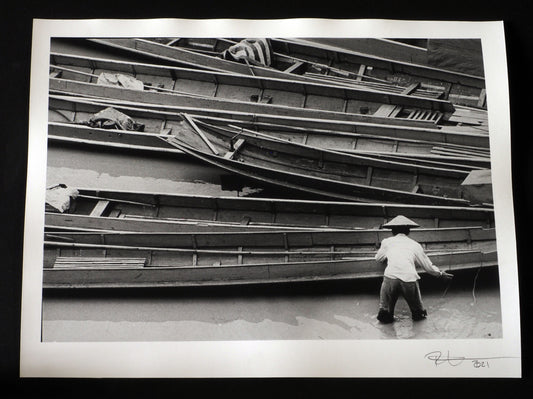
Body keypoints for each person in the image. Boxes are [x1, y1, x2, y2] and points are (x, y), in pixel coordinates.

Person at [375, 215, 453, 323]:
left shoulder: (386, 242)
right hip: (409, 278)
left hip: (390, 277)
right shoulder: (415, 245)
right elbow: (427, 266)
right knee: (418, 313)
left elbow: (378, 258)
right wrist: (440, 273)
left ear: (392, 231)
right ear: (408, 231)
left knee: (385, 313)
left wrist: (382, 250)